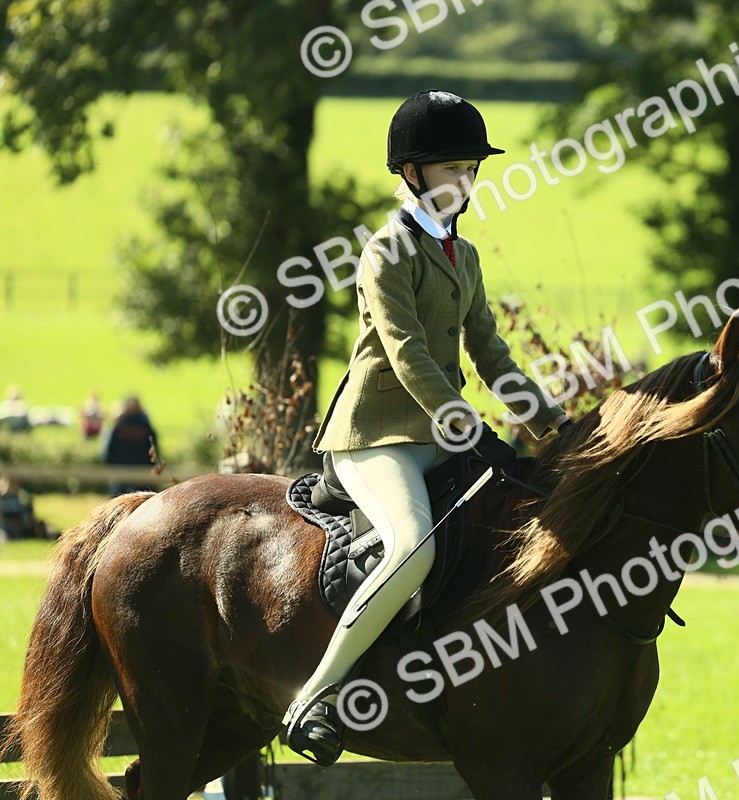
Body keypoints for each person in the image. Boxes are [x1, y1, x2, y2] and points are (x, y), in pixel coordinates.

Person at [283, 89, 571, 766]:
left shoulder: (462, 256)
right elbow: (408, 351)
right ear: (412, 173)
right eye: (453, 170)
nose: (465, 183)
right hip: (374, 439)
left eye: (472, 170)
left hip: (444, 440)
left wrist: (553, 423)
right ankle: (314, 698)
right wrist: (463, 422)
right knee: (414, 547)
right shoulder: (385, 252)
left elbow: (491, 353)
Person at [102, 395, 159, 495]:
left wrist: (111, 465)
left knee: (117, 500)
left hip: (121, 470)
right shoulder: (146, 426)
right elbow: (154, 449)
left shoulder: (119, 426)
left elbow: (110, 449)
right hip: (142, 471)